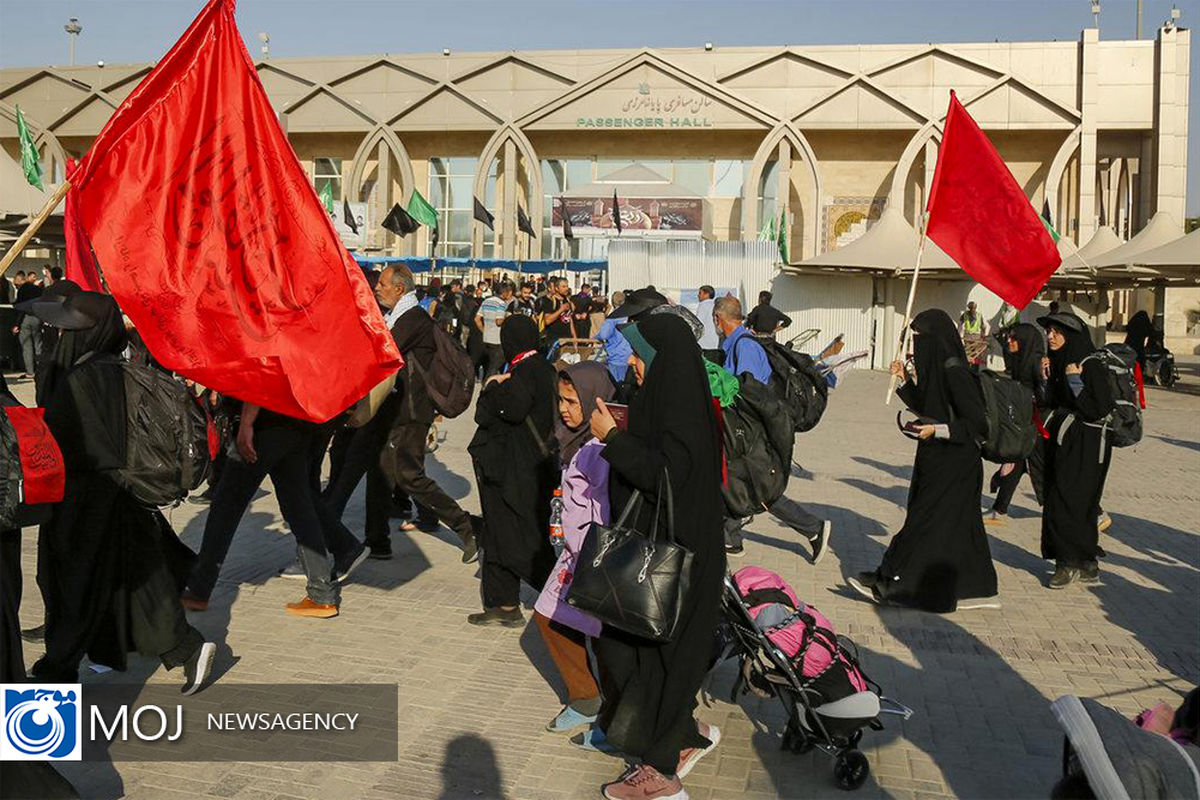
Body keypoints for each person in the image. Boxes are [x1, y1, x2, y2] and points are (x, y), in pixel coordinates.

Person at [30, 292, 216, 692]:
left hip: (86, 501)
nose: (59, 334)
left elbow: (59, 446)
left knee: (74, 586)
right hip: (118, 495)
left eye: (66, 328)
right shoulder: (114, 369)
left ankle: (56, 673)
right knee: (135, 581)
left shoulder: (80, 379)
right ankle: (184, 649)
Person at [585, 314, 724, 800]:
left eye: (642, 355)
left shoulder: (685, 411)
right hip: (661, 555)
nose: (635, 364)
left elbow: (667, 476)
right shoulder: (665, 400)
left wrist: (613, 438)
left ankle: (662, 777)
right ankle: (682, 739)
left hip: (683, 563)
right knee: (634, 655)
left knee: (669, 664)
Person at [848, 309, 999, 612]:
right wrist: (904, 382)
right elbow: (929, 405)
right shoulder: (936, 369)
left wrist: (937, 430)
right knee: (958, 527)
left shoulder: (955, 370)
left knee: (927, 523)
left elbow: (976, 424)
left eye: (920, 337)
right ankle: (978, 586)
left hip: (956, 462)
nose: (916, 344)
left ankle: (900, 582)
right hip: (936, 456)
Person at [181, 397, 368, 618]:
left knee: (226, 505)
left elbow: (264, 373)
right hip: (295, 419)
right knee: (299, 504)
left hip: (265, 422)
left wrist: (246, 424)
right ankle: (322, 593)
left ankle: (198, 590)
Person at [362, 265, 479, 561]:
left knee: (408, 475)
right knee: (383, 471)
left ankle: (467, 527)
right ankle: (377, 542)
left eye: (384, 284)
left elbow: (385, 353)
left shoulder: (412, 319)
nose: (378, 288)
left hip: (412, 412)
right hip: (397, 410)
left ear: (399, 289)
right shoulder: (398, 316)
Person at [713, 297, 830, 562]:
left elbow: (750, 390)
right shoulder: (736, 344)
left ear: (718, 319)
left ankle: (814, 528)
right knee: (735, 480)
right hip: (744, 429)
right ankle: (731, 537)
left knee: (759, 488)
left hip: (754, 431)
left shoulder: (745, 347)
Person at [534, 361, 612, 733]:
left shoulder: (598, 449)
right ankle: (587, 697)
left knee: (595, 634)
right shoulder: (576, 442)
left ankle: (599, 708)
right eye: (560, 400)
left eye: (572, 401)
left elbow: (604, 509)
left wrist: (589, 554)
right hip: (573, 552)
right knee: (551, 617)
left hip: (590, 557)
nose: (564, 409)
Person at [467, 315, 558, 626]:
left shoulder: (524, 372)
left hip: (516, 468)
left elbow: (506, 410)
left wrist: (491, 388)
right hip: (523, 465)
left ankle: (558, 595)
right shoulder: (543, 367)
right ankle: (502, 603)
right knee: (497, 530)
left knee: (517, 534)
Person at [1037, 311, 1115, 589]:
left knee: (1069, 502)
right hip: (1066, 443)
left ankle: (1068, 563)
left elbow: (1099, 408)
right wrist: (1047, 378)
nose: (1051, 336)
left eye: (1057, 332)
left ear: (1071, 335)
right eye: (1049, 332)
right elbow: (1052, 402)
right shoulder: (1060, 361)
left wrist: (1074, 381)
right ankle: (1086, 562)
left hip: (1088, 446)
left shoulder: (1088, 364)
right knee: (1072, 502)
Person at [985, 322, 1048, 525]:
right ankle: (999, 510)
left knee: (1045, 469)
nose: (1009, 341)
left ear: (1025, 342)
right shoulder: (1021, 362)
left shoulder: (1038, 364)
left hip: (1041, 428)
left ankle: (1091, 512)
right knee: (1018, 461)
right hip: (1026, 426)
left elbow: (1046, 397)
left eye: (1013, 338)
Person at [594, 292, 632, 385]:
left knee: (616, 386)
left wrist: (596, 336)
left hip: (616, 357)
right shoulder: (630, 316)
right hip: (631, 358)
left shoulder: (613, 318)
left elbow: (603, 335)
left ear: (613, 302)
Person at [477, 281, 512, 378]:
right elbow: (499, 321)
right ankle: (487, 385)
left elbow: (477, 319)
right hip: (497, 340)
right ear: (504, 292)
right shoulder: (501, 304)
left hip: (486, 339)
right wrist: (508, 317)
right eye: (508, 292)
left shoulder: (486, 301)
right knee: (495, 366)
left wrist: (484, 331)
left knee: (490, 364)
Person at [12, 273, 43, 378]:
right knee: (38, 344)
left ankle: (30, 372)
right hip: (38, 317)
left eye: (16, 285)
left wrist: (17, 324)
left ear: (20, 282)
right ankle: (41, 369)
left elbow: (20, 308)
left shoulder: (22, 291)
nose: (16, 287)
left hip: (25, 319)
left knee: (27, 347)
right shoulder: (37, 289)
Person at [536, 276, 575, 347]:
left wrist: (574, 337)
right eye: (563, 286)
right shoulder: (550, 301)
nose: (567, 289)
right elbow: (547, 321)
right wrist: (561, 310)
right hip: (554, 340)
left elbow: (570, 320)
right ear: (557, 288)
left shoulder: (567, 301)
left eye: (567, 286)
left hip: (568, 340)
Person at [696, 284, 719, 351]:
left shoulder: (703, 305)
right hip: (714, 342)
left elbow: (698, 322)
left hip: (703, 343)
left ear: (706, 294)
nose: (698, 295)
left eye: (700, 293)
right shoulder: (715, 305)